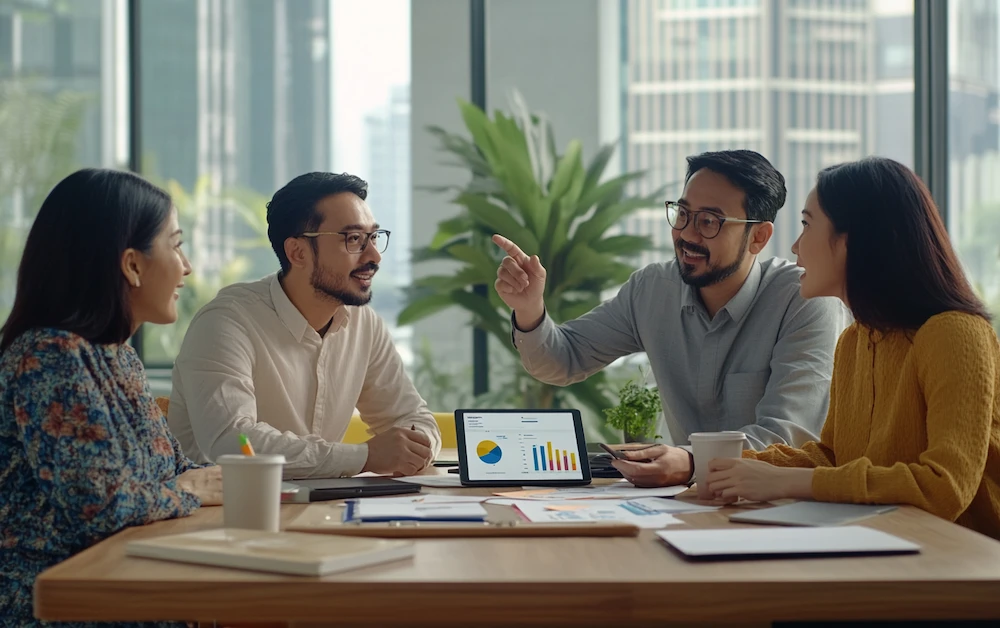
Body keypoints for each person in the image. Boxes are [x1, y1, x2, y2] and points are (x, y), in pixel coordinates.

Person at [493, 149, 850, 488]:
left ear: (758, 237)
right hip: (687, 506)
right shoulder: (652, 290)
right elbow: (562, 361)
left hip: (778, 506)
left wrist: (692, 462)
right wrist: (529, 309)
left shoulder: (803, 300)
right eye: (682, 214)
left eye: (709, 221)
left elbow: (789, 436)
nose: (687, 234)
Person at [704, 157, 1000, 540]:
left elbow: (944, 487)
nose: (795, 246)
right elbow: (832, 458)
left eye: (807, 225)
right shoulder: (854, 341)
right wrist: (709, 465)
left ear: (850, 241)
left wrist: (785, 483)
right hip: (886, 547)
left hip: (965, 567)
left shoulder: (954, 334)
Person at [0, 168, 222, 626]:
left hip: (128, 583)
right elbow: (98, 508)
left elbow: (173, 470)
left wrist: (242, 480)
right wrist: (186, 490)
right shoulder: (48, 356)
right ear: (132, 264)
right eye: (176, 244)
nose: (187, 266)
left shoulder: (118, 357)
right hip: (65, 603)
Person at [168, 172, 440, 479]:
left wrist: (418, 445)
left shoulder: (364, 324)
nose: (374, 256)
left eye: (373, 237)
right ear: (297, 252)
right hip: (221, 514)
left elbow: (412, 417)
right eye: (353, 239)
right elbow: (232, 442)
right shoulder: (226, 322)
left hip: (319, 509)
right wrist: (364, 457)